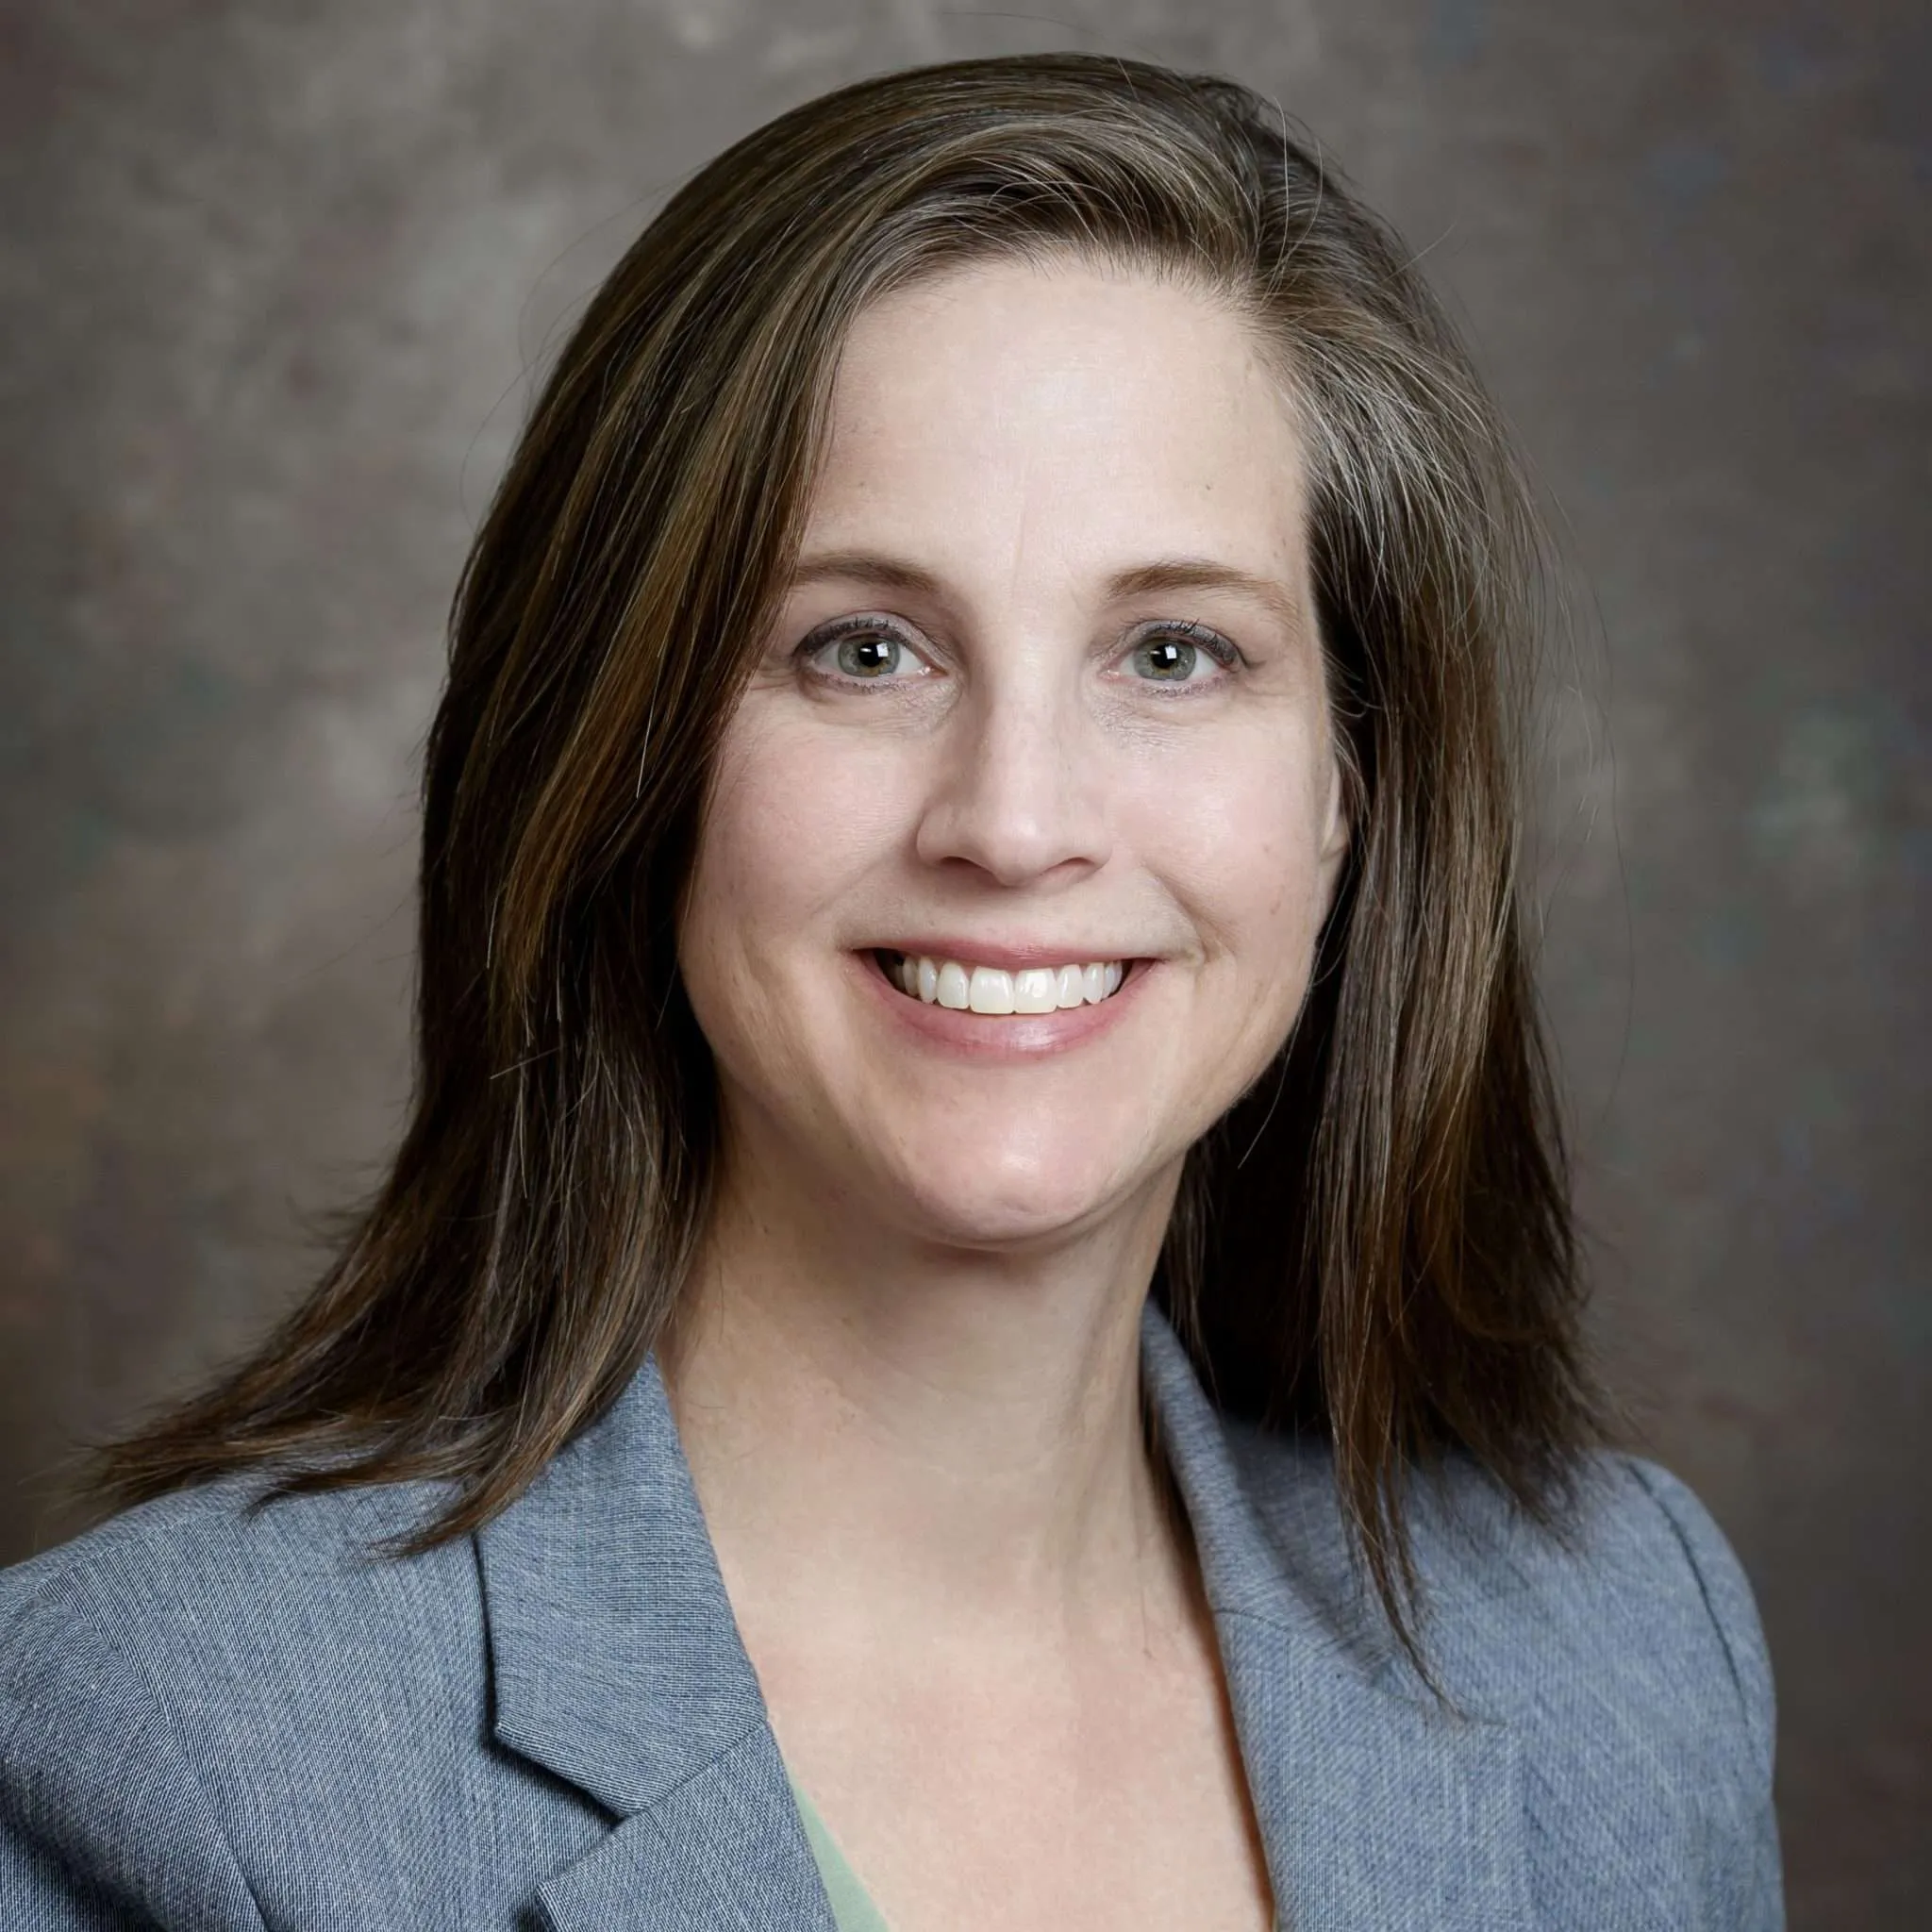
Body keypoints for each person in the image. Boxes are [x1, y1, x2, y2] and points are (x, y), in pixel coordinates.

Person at [0, 52, 1781, 1931]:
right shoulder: (171, 1747)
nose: (1014, 821)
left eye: (1174, 651)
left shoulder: (1620, 1647)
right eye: (860, 649)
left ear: (1347, 787)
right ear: (630, 760)